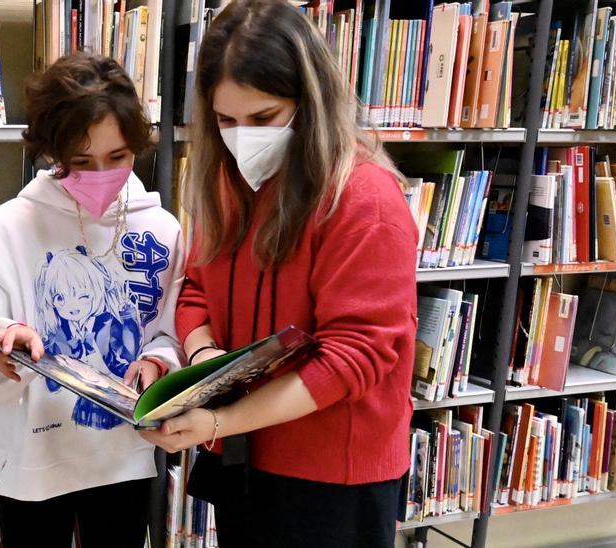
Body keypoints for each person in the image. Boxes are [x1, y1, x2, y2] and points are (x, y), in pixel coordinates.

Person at [139, 1, 419, 546]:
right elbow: (195, 284)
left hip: (329, 473)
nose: (243, 137)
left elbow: (354, 355)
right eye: (225, 121)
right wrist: (203, 360)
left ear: (308, 103)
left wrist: (223, 420)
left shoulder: (364, 198)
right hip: (244, 458)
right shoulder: (230, 184)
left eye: (263, 119)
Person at [0, 52, 184, 547]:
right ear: (52, 152)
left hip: (124, 462)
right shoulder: (7, 228)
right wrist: (1, 352)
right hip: (32, 469)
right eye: (81, 162)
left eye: (118, 157)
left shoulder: (161, 229)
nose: (102, 174)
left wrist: (157, 362)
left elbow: (173, 330)